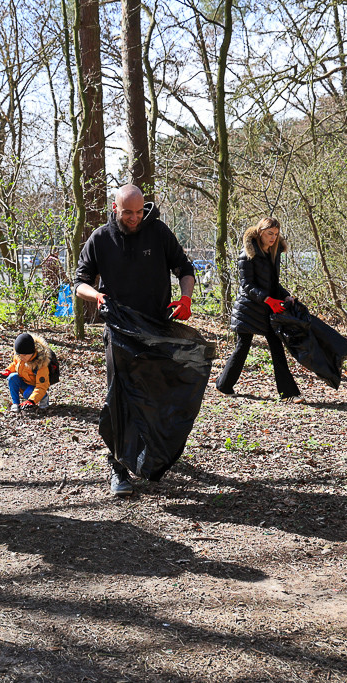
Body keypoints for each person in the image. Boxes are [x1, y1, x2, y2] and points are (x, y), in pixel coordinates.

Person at [73, 183, 195, 496]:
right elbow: (80, 284)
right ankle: (118, 470)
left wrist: (186, 298)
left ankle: (151, 455)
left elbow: (184, 268)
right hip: (119, 330)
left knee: (157, 395)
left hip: (156, 329)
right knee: (120, 398)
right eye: (127, 212)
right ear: (115, 208)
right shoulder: (101, 238)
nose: (134, 218)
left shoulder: (158, 233)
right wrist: (97, 295)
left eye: (139, 212)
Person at [215, 216, 301, 402]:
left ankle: (289, 394)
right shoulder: (247, 252)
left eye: (276, 234)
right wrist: (267, 299)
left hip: (268, 309)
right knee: (242, 347)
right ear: (260, 232)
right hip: (247, 309)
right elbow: (246, 285)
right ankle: (224, 385)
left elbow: (273, 284)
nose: (273, 238)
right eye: (269, 233)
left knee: (277, 347)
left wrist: (285, 295)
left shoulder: (275, 252)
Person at [0, 332, 51, 413]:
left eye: (24, 355)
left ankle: (44, 398)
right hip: (24, 381)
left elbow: (41, 386)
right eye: (20, 355)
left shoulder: (41, 364)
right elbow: (15, 364)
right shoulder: (19, 356)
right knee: (12, 378)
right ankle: (15, 403)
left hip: (35, 386)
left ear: (32, 352)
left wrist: (31, 401)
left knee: (27, 394)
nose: (22, 358)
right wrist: (8, 371)